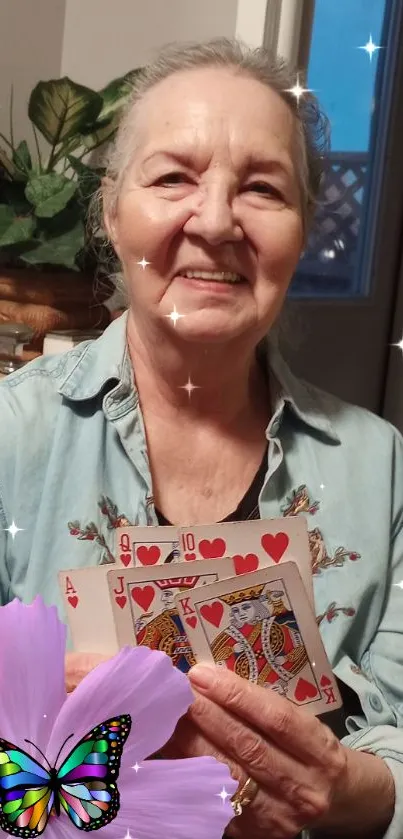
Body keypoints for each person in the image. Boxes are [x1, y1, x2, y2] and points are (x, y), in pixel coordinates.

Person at [0, 37, 402, 839]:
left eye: (261, 187)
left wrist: (363, 795)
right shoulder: (12, 437)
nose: (215, 220)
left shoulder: (381, 466)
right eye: (173, 177)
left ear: (301, 229)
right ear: (112, 213)